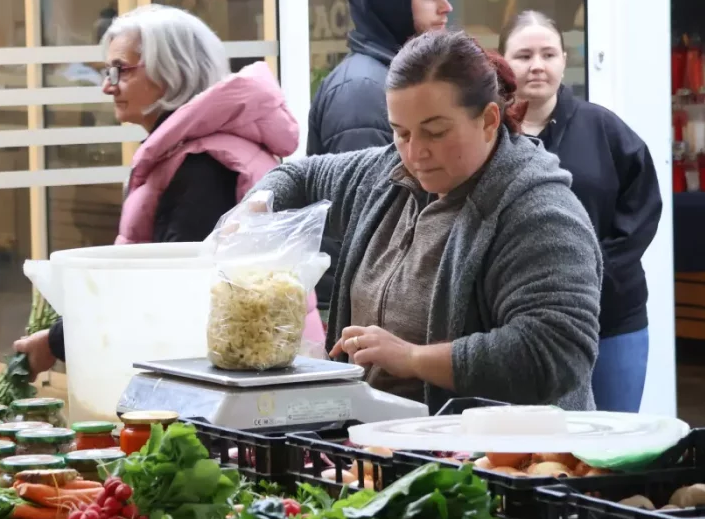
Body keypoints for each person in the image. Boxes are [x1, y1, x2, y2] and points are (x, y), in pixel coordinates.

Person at [251, 31, 602, 412]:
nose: (415, 153)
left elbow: (555, 351)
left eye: (435, 132)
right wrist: (256, 209)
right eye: (401, 132)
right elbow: (299, 178)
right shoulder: (384, 171)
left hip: (498, 458)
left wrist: (415, 358)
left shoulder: (539, 212)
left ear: (488, 120)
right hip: (378, 449)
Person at [14, 4, 302, 370]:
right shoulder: (192, 151)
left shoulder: (205, 164)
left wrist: (58, 340)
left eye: (120, 70)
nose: (107, 86)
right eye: (106, 71)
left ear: (172, 71)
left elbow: (171, 288)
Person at [499, 11, 661, 412]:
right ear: (503, 63)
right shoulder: (491, 138)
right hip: (520, 325)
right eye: (523, 55)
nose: (537, 65)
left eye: (548, 54)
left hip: (612, 318)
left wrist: (590, 271)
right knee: (538, 454)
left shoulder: (602, 128)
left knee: (612, 446)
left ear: (563, 60)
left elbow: (642, 209)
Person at [306, 0, 471, 325]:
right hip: (363, 309)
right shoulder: (363, 90)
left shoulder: (397, 80)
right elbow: (370, 217)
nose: (445, 8)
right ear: (388, 2)